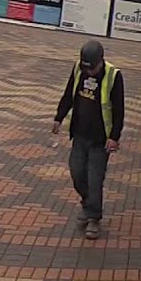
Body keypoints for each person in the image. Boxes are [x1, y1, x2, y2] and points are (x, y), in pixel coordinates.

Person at [52, 40, 124, 240]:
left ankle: (94, 218)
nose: (89, 72)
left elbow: (119, 110)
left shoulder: (113, 76)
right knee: (77, 173)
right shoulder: (78, 68)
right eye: (87, 68)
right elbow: (69, 94)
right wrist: (59, 117)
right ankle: (87, 202)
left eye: (92, 69)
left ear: (101, 61)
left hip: (100, 140)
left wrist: (114, 137)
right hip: (80, 135)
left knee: (94, 179)